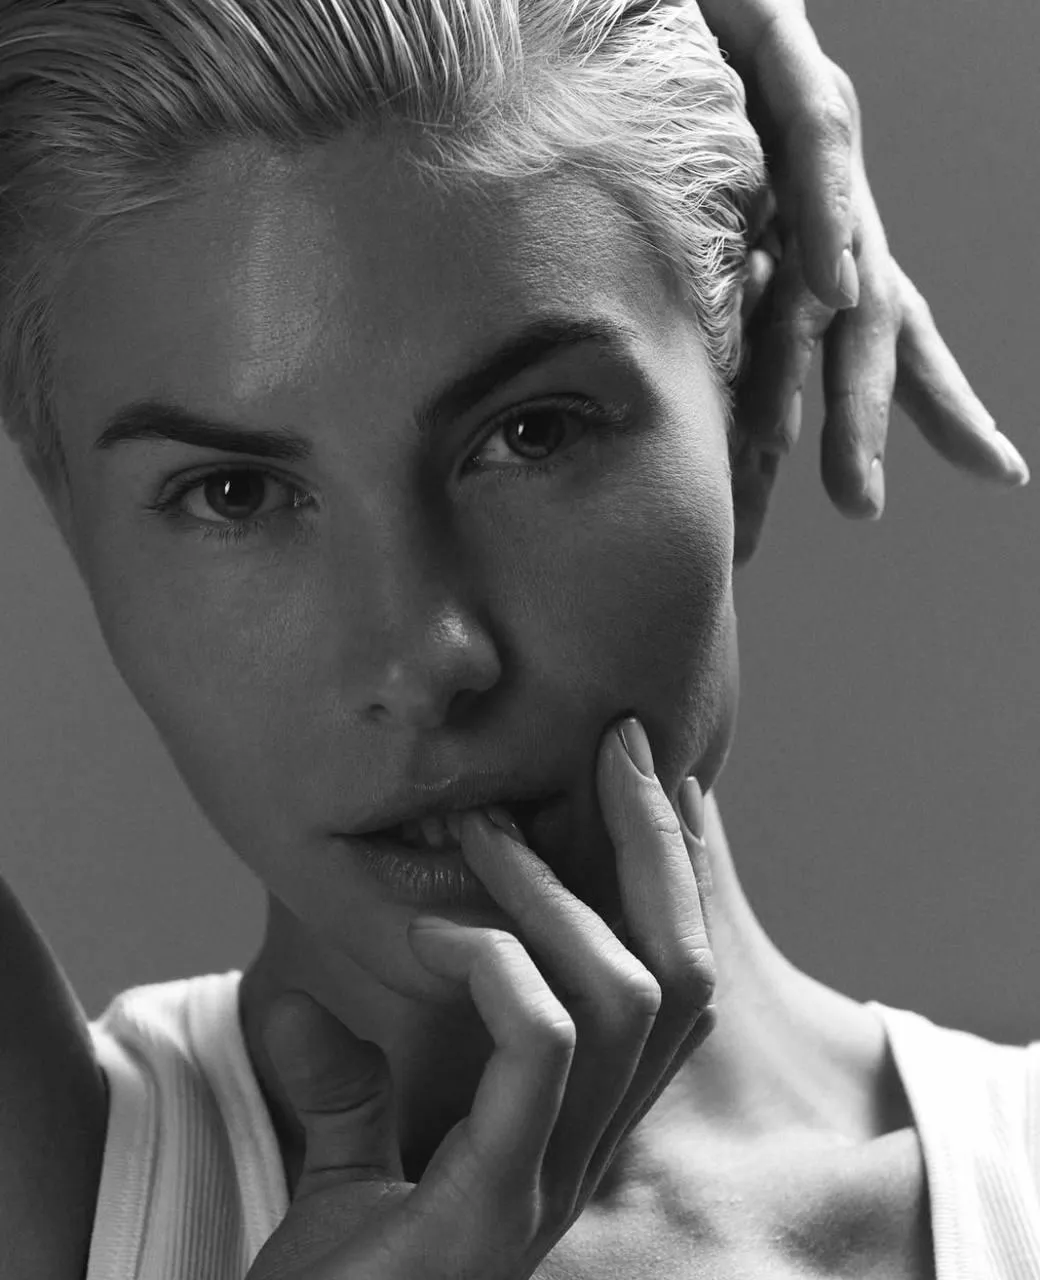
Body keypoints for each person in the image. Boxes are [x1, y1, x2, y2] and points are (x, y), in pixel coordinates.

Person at [0, 2, 1032, 1279]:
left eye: (532, 433)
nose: (425, 654)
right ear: (72, 522)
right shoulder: (59, 1188)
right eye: (235, 493)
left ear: (753, 411)